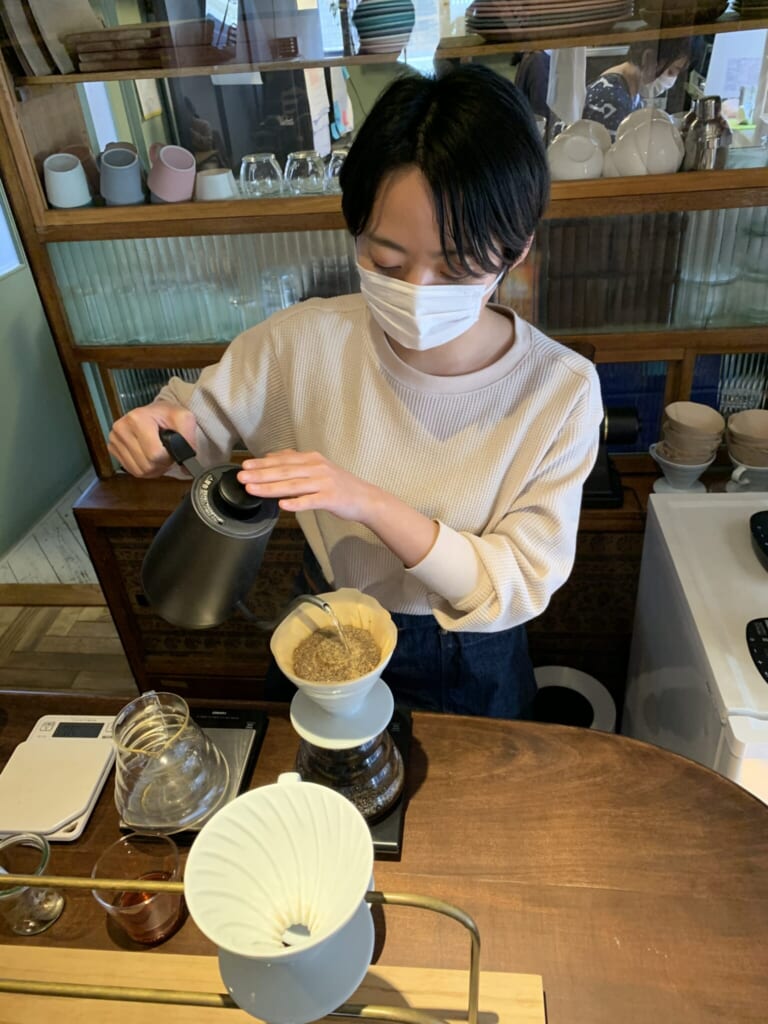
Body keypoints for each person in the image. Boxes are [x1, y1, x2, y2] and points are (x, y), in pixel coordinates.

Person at [108, 64, 603, 719]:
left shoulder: (559, 391)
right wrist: (153, 433)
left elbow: (516, 581)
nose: (419, 292)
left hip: (468, 650)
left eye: (457, 268)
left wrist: (366, 501)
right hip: (326, 617)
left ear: (516, 251)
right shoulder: (299, 344)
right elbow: (190, 436)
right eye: (387, 262)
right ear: (356, 230)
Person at [582, 39, 692, 138]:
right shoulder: (611, 100)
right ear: (648, 58)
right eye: (670, 72)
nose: (670, 81)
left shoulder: (632, 90)